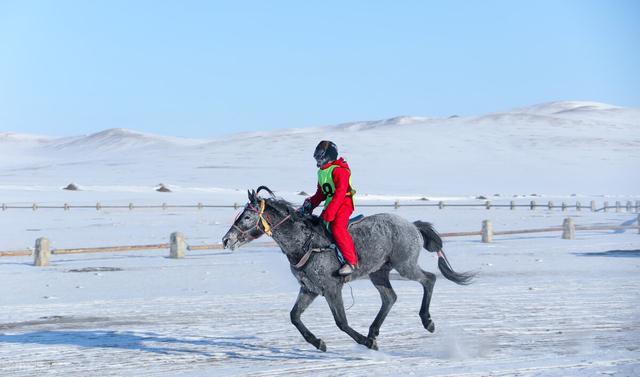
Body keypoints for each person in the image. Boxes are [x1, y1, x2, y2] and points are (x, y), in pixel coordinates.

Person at [299, 141, 358, 275]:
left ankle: (351, 262)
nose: (317, 162)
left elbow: (340, 192)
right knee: (319, 228)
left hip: (344, 202)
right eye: (316, 158)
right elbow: (321, 193)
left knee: (337, 228)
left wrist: (330, 211)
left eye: (319, 158)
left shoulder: (340, 170)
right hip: (332, 202)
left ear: (327, 157)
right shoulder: (321, 172)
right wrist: (310, 204)